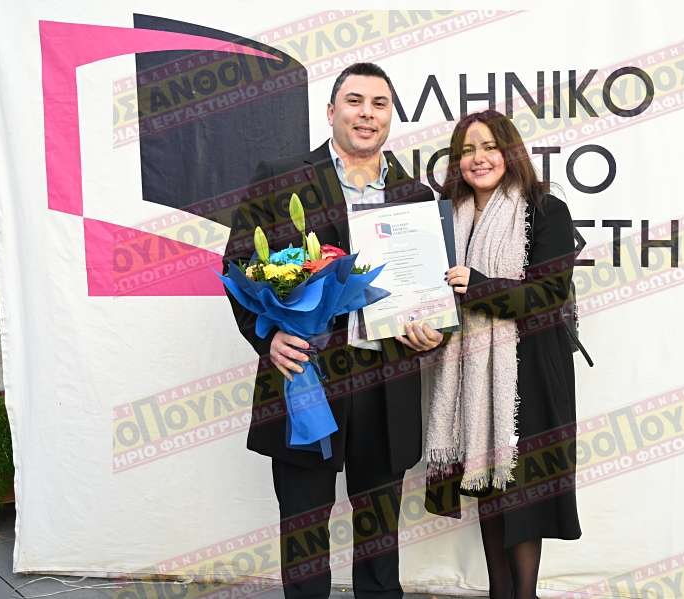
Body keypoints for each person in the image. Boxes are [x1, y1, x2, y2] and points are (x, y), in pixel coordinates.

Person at [222, 63, 446, 599]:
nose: (367, 114)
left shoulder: (416, 196)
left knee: (379, 532)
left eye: (379, 104)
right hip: (306, 375)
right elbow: (237, 266)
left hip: (385, 377)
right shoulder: (279, 178)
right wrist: (267, 338)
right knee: (304, 525)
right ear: (331, 111)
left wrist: (432, 331)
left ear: (390, 116)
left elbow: (428, 289)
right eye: (355, 101)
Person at [426, 109, 582, 599]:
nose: (479, 158)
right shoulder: (444, 218)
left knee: (522, 492)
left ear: (509, 152)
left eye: (490, 147)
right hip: (468, 367)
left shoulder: (545, 210)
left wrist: (478, 286)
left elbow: (547, 295)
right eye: (467, 150)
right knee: (487, 486)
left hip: (529, 369)